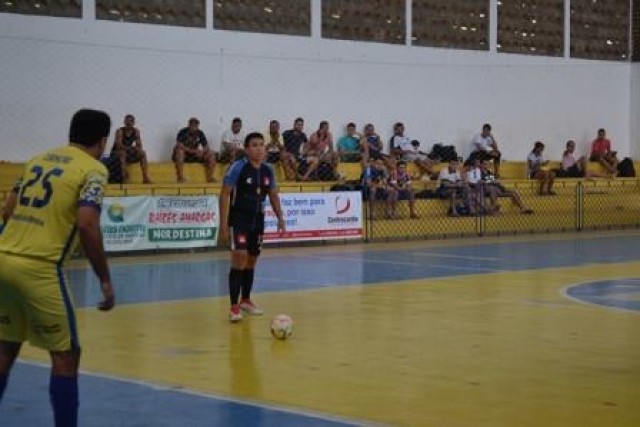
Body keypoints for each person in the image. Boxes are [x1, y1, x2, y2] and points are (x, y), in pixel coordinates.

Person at [0, 109, 116, 427]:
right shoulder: (93, 169)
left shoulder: (38, 159)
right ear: (103, 140)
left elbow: (8, 209)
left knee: (6, 347)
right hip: (40, 268)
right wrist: (104, 279)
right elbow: (87, 224)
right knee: (65, 356)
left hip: (3, 258)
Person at [219, 132, 286, 322]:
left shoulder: (268, 170)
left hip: (258, 220)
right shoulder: (238, 167)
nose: (259, 148)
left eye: (261, 145)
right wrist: (223, 223)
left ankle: (246, 300)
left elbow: (272, 194)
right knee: (239, 257)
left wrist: (280, 217)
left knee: (252, 259)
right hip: (239, 219)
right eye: (254, 145)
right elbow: (224, 194)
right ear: (247, 149)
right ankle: (233, 307)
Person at [172, 117, 216, 183]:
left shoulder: (200, 133)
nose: (194, 127)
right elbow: (179, 145)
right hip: (185, 155)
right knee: (179, 152)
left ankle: (210, 177)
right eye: (192, 125)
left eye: (196, 126)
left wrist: (202, 152)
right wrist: (193, 151)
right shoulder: (182, 132)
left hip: (195, 155)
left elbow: (206, 147)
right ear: (189, 125)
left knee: (211, 154)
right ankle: (180, 177)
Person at [110, 114, 152, 184]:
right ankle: (123, 178)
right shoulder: (120, 131)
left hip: (127, 153)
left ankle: (145, 177)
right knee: (122, 153)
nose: (129, 123)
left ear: (134, 123)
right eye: (127, 121)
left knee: (142, 153)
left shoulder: (136, 131)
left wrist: (137, 149)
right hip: (116, 154)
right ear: (124, 122)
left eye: (131, 121)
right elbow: (118, 145)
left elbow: (139, 145)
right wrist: (130, 148)